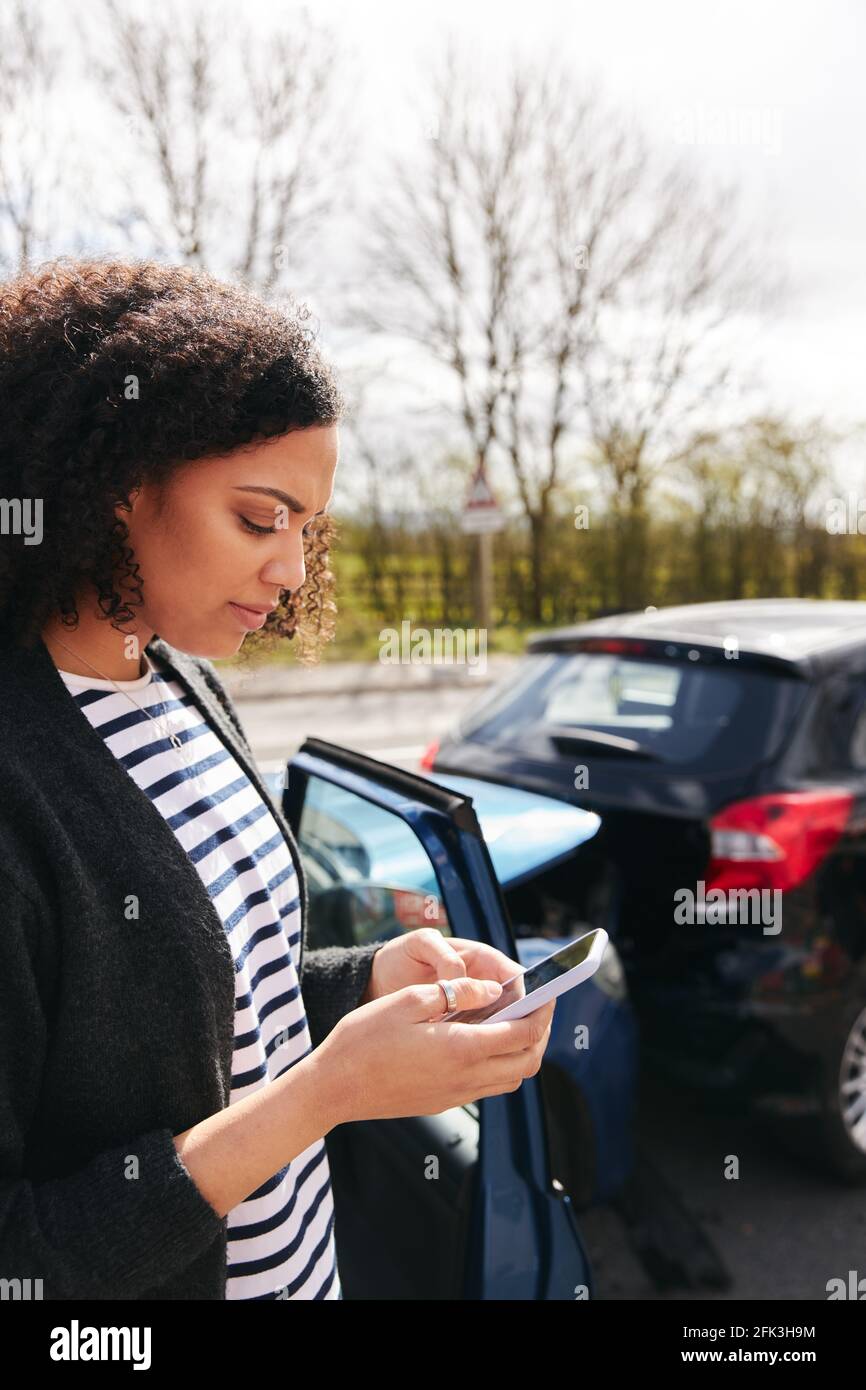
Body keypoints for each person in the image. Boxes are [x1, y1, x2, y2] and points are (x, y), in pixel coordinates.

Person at [0, 256, 555, 1301]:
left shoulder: (183, 688)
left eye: (307, 528)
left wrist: (370, 978)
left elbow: (213, 1015)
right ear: (118, 483)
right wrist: (323, 1095)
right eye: (259, 519)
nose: (294, 570)